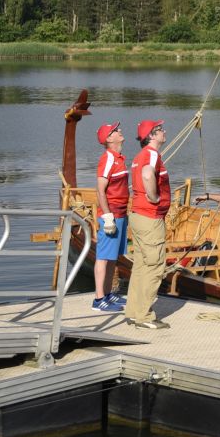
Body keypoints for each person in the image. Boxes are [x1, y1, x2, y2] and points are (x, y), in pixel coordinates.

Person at [124, 119, 171, 329]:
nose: (164, 132)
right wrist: (154, 197)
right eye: (160, 130)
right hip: (150, 217)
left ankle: (134, 312)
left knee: (141, 266)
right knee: (154, 267)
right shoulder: (151, 154)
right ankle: (143, 316)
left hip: (138, 216)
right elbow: (146, 174)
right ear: (151, 135)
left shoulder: (138, 156)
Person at [92, 122, 129, 312]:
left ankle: (107, 294)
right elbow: (100, 190)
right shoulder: (107, 159)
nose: (120, 131)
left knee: (113, 256)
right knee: (103, 257)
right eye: (115, 130)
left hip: (121, 213)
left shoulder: (119, 158)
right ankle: (99, 299)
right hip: (111, 214)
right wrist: (107, 217)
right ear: (108, 139)